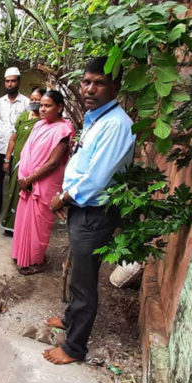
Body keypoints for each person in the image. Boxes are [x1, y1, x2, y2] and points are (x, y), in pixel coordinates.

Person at [45, 57, 135, 365]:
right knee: (79, 275)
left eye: (99, 83)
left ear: (115, 87)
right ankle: (71, 321)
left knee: (84, 283)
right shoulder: (97, 118)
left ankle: (74, 348)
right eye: (86, 82)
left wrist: (64, 198)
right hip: (81, 209)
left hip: (94, 213)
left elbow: (97, 180)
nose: (90, 89)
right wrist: (69, 199)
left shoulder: (116, 125)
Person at [11, 90, 74, 275]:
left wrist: (30, 178)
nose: (43, 109)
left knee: (39, 225)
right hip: (27, 183)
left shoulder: (63, 129)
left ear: (59, 107)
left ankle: (36, 260)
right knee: (23, 220)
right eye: (42, 105)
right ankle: (21, 254)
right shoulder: (39, 125)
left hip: (44, 183)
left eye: (48, 106)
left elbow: (54, 162)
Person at [1, 88, 46, 233]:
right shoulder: (23, 116)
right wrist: (7, 159)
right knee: (13, 191)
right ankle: (9, 224)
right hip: (16, 162)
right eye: (32, 99)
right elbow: (13, 140)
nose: (34, 102)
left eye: (37, 99)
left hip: (32, 165)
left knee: (26, 194)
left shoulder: (44, 121)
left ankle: (22, 227)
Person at [0, 67, 30, 218]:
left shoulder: (26, 102)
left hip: (17, 148)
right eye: (7, 81)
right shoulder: (0, 102)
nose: (10, 84)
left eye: (13, 81)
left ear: (18, 82)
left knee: (16, 180)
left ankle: (14, 211)